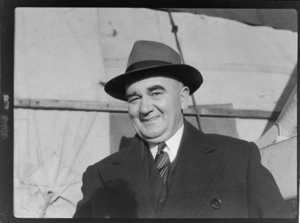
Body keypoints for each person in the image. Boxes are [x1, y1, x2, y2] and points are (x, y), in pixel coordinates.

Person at [73, 40, 292, 218]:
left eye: (156, 93)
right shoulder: (101, 176)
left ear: (183, 97)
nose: (145, 108)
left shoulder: (239, 159)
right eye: (134, 98)